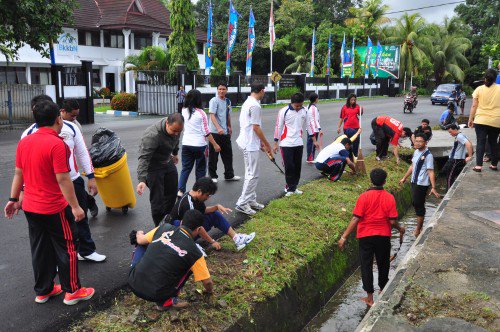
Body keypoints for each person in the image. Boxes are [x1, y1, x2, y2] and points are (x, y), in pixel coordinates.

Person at [4, 100, 94, 305]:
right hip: (54, 207)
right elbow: (63, 179)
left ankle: (43, 290)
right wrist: (75, 206)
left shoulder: (24, 142)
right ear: (58, 119)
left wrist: (13, 199)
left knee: (40, 248)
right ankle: (72, 291)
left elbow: (19, 173)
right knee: (68, 246)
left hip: (30, 207)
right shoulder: (57, 144)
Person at [23, 96, 106, 263]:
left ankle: (86, 250)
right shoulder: (28, 134)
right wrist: (22, 191)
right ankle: (55, 260)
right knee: (52, 226)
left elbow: (82, 152)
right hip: (47, 187)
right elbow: (24, 167)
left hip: (73, 180)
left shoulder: (70, 128)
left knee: (80, 217)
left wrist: (91, 177)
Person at [338, 168, 405, 307]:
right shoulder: (389, 197)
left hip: (365, 236)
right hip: (383, 236)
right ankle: (382, 289)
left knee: (366, 265)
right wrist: (400, 229)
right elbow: (392, 221)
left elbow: (356, 219)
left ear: (370, 180)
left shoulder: (363, 197)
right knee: (383, 264)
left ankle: (369, 298)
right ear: (385, 182)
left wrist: (344, 237)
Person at [128, 209, 213, 311]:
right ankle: (167, 301)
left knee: (142, 243)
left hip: (133, 282)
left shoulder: (164, 228)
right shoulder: (195, 253)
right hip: (157, 295)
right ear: (198, 229)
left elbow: (140, 240)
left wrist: (138, 233)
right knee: (189, 266)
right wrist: (209, 291)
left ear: (181, 222)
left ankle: (139, 273)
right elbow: (207, 282)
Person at [168, 177, 255, 251]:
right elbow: (197, 227)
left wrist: (216, 207)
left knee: (214, 214)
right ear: (199, 191)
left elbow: (203, 210)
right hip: (177, 236)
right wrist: (212, 241)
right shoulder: (187, 203)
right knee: (183, 223)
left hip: (189, 228)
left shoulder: (196, 198)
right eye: (207, 195)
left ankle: (237, 239)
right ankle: (189, 246)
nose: (208, 198)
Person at [137, 113, 184, 226]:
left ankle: (167, 221)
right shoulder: (152, 135)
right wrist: (142, 180)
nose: (176, 134)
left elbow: (176, 140)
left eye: (179, 131)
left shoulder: (176, 128)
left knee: (172, 194)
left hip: (167, 161)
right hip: (153, 167)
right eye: (174, 131)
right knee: (157, 200)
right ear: (167, 123)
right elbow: (144, 158)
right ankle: (159, 227)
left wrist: (175, 153)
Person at [235, 84, 272, 216]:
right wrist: (266, 144)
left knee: (251, 173)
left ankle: (250, 199)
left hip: (250, 142)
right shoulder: (255, 105)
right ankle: (242, 202)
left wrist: (260, 144)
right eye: (264, 92)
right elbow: (255, 127)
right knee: (252, 175)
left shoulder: (248, 102)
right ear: (262, 91)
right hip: (249, 143)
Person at [273, 93, 317, 197]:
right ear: (291, 102)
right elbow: (278, 127)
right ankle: (289, 188)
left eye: (300, 105)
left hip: (298, 142)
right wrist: (275, 143)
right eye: (296, 106)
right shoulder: (284, 111)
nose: (298, 108)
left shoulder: (305, 110)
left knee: (297, 166)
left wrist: (314, 140)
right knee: (289, 166)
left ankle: (294, 187)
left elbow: (309, 125)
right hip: (286, 143)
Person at [61, 99, 99, 218]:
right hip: (57, 171)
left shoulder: (75, 126)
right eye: (72, 115)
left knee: (77, 193)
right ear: (62, 112)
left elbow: (81, 151)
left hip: (70, 169)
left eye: (76, 115)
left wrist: (90, 175)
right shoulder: (52, 121)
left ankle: (90, 202)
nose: (74, 118)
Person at [178, 89, 221, 196]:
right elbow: (206, 131)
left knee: (185, 169)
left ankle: (180, 190)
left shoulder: (183, 110)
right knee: (201, 170)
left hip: (186, 144)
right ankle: (198, 191)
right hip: (200, 146)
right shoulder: (201, 113)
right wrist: (215, 144)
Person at [399, 133, 440, 237]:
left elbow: (431, 171)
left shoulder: (428, 155)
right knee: (415, 203)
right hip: (414, 182)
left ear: (425, 143)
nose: (417, 143)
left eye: (420, 141)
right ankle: (420, 226)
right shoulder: (416, 152)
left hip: (422, 184)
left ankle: (418, 230)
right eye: (416, 141)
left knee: (418, 205)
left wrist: (433, 187)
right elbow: (412, 166)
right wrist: (404, 178)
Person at [468, 68, 500, 172]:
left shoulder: (479, 89)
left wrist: (470, 119)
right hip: (496, 120)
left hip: (481, 120)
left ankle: (478, 166)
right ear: (496, 78)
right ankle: (494, 165)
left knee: (480, 142)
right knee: (493, 142)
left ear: (484, 78)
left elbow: (474, 106)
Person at [208, 82, 240, 183]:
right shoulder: (214, 100)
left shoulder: (228, 101)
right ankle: (212, 176)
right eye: (220, 89)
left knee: (228, 155)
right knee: (213, 156)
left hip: (225, 132)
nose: (221, 91)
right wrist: (218, 128)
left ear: (226, 90)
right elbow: (212, 115)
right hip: (215, 133)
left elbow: (228, 115)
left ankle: (229, 175)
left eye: (223, 89)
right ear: (217, 90)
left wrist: (229, 126)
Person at [444, 124, 473, 190]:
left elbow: (468, 144)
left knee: (450, 177)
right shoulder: (461, 135)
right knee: (448, 173)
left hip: (455, 159)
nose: (450, 134)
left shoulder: (459, 136)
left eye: (450, 132)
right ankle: (450, 189)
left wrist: (470, 156)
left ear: (455, 129)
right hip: (455, 158)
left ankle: (448, 192)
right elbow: (470, 142)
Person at [338, 93, 363, 158]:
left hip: (356, 127)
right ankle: (349, 155)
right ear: (348, 100)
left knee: (356, 141)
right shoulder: (344, 107)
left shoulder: (357, 106)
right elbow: (341, 118)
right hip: (347, 128)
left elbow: (360, 114)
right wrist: (339, 127)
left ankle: (355, 155)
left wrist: (361, 110)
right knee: (349, 141)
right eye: (351, 100)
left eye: (354, 100)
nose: (353, 101)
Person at [306, 93, 322, 163]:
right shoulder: (313, 108)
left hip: (310, 128)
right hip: (313, 129)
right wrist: (319, 129)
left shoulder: (308, 106)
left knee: (311, 143)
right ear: (316, 99)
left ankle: (311, 157)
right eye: (317, 98)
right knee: (312, 144)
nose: (318, 99)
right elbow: (315, 120)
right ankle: (310, 158)